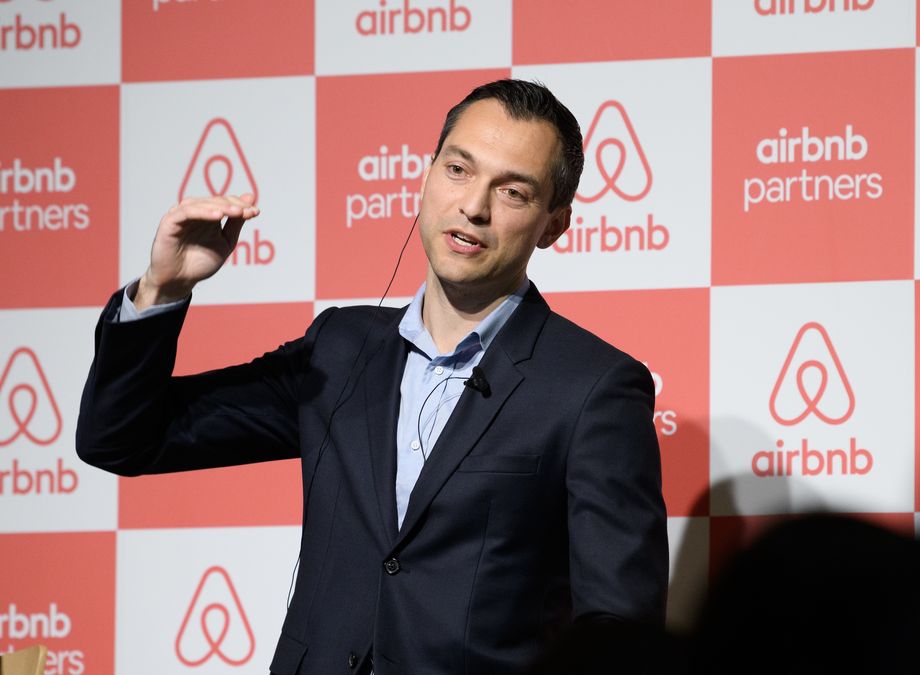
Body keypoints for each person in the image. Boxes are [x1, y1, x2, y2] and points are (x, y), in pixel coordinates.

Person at [76, 80, 668, 675]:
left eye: (512, 191)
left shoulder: (593, 388)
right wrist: (161, 293)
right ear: (426, 176)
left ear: (554, 224)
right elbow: (124, 437)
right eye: (458, 170)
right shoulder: (339, 349)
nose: (473, 207)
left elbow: (618, 634)